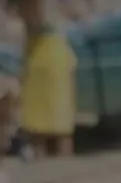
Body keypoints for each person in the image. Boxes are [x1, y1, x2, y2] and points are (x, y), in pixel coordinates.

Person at [8, 0, 77, 158]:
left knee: (58, 123)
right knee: (38, 122)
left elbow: (35, 16)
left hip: (49, 53)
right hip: (38, 51)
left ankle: (61, 165)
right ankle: (45, 162)